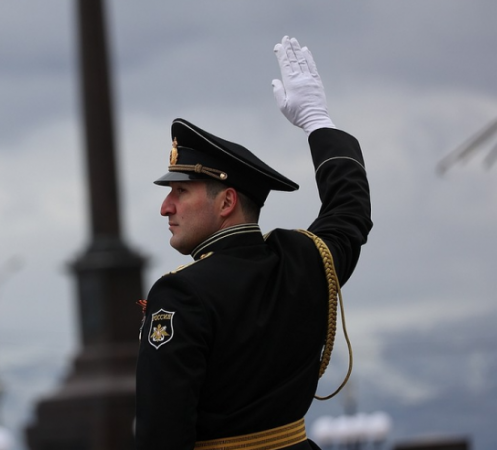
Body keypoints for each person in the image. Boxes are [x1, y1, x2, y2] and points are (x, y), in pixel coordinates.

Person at [134, 36, 372, 450]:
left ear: (226, 201)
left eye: (181, 192)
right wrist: (318, 121)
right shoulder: (307, 261)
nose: (165, 208)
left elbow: (161, 435)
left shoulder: (181, 294)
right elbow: (350, 210)